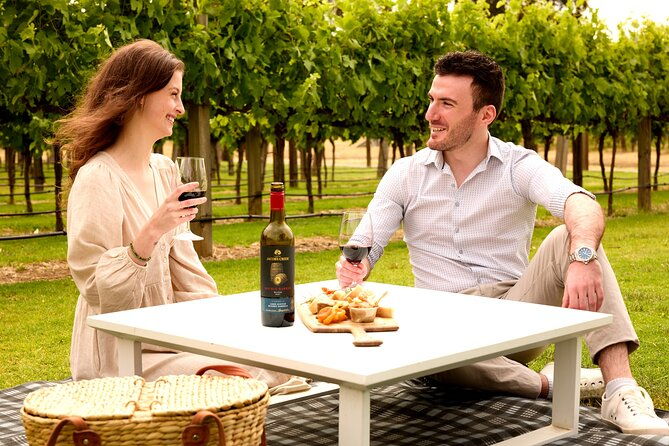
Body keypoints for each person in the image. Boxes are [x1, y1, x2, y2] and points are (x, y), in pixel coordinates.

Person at [336, 50, 669, 435]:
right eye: (431, 100)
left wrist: (582, 256)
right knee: (422, 347)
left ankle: (621, 390)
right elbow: (366, 240)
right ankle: (555, 384)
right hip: (441, 320)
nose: (431, 114)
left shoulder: (518, 165)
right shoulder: (404, 174)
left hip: (513, 313)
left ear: (486, 114)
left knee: (571, 237)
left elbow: (580, 203)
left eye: (447, 104)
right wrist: (358, 263)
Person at [57, 40, 306, 394]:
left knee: (277, 361)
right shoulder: (97, 178)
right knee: (233, 381)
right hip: (120, 352)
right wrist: (152, 231)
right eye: (173, 95)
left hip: (167, 338)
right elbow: (99, 291)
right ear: (139, 96)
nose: (181, 107)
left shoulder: (164, 171)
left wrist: (221, 322)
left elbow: (185, 270)